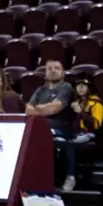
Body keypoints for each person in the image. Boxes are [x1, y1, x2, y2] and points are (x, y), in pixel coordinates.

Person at [25, 61, 79, 192]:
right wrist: (45, 108)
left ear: (63, 72)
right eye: (49, 68)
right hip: (39, 127)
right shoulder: (40, 89)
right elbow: (27, 110)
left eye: (57, 68)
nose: (53, 70)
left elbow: (54, 109)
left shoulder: (66, 88)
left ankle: (70, 176)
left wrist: (39, 108)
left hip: (62, 129)